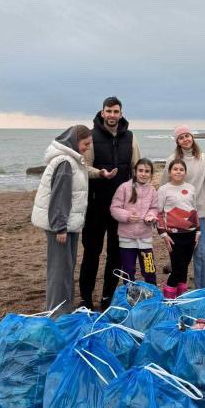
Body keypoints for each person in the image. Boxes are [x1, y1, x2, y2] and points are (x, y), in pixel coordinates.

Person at [79, 96, 141, 310]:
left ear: (121, 113)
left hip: (121, 209)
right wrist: (99, 173)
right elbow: (83, 168)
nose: (112, 115)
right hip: (96, 205)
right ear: (102, 112)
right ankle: (86, 299)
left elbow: (136, 169)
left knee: (115, 254)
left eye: (116, 111)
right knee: (91, 253)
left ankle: (107, 298)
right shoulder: (91, 137)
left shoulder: (131, 137)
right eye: (109, 111)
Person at [31, 125, 92, 317]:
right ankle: (57, 314)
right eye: (85, 143)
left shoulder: (72, 161)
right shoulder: (65, 163)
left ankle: (64, 309)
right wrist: (60, 227)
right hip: (61, 226)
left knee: (66, 269)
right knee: (59, 271)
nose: (88, 148)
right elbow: (59, 197)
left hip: (68, 224)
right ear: (75, 141)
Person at [159, 125, 205, 288]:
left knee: (201, 254)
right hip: (176, 217)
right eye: (181, 137)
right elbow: (163, 186)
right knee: (180, 257)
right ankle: (176, 288)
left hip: (197, 214)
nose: (185, 139)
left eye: (187, 135)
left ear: (192, 137)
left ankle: (204, 288)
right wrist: (163, 218)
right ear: (177, 141)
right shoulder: (173, 160)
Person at [110, 158, 158, 285]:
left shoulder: (153, 190)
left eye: (147, 171)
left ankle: (152, 295)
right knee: (128, 271)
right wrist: (126, 216)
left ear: (151, 174)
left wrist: (151, 216)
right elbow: (114, 208)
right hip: (127, 239)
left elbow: (154, 208)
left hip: (145, 239)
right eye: (140, 170)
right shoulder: (124, 188)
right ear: (135, 171)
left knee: (149, 270)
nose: (143, 173)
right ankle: (130, 297)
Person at [157, 158, 200, 298]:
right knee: (177, 269)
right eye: (175, 169)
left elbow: (194, 210)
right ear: (170, 172)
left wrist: (198, 230)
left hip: (190, 234)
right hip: (173, 235)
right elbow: (159, 213)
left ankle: (181, 299)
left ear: (185, 172)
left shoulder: (191, 188)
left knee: (184, 268)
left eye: (181, 169)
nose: (178, 172)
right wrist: (163, 234)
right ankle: (169, 300)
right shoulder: (164, 189)